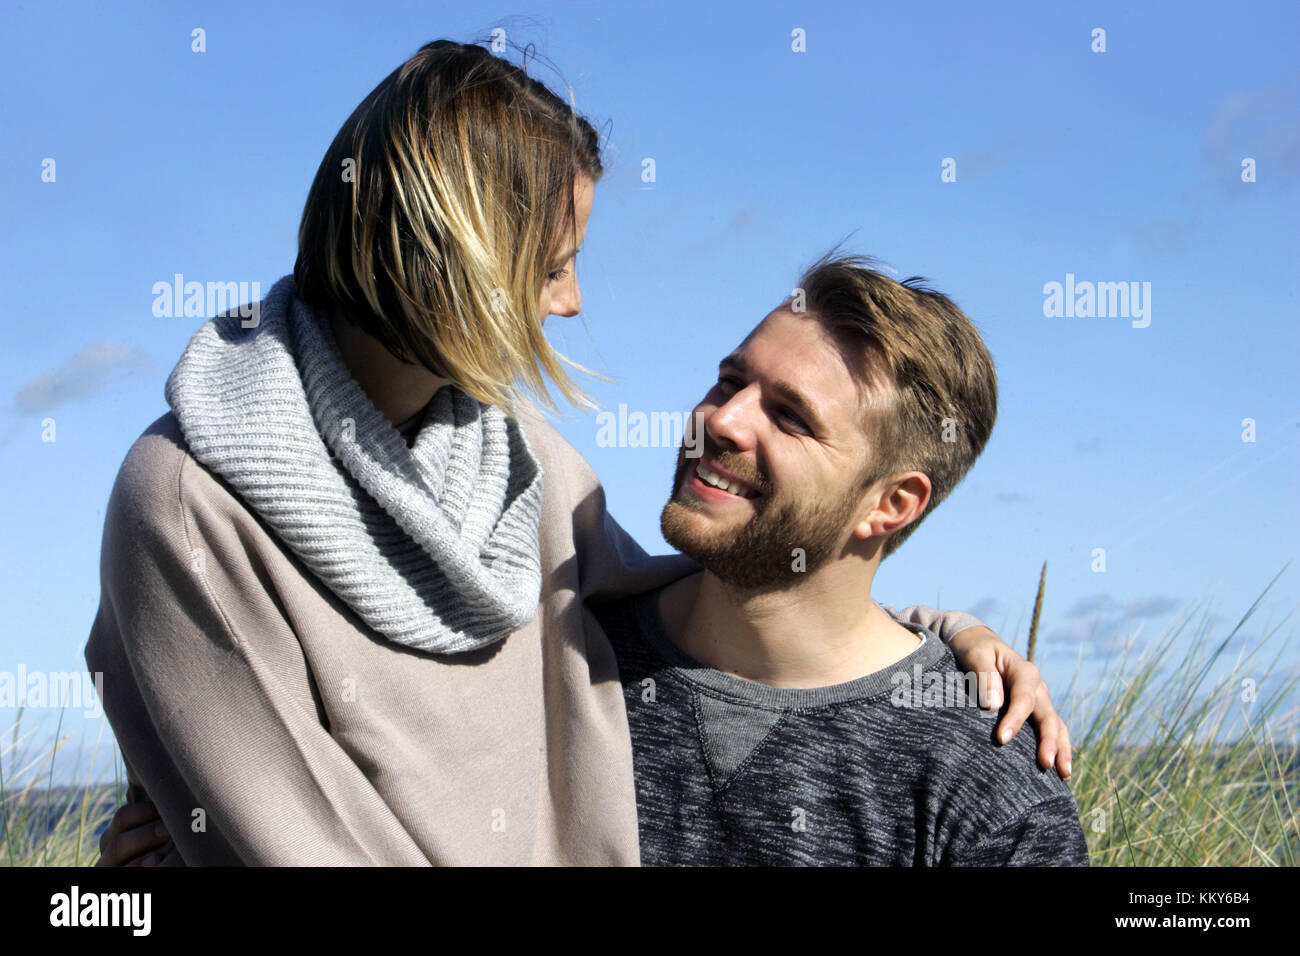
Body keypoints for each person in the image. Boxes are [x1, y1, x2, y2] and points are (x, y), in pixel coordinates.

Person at [89, 40, 1070, 867]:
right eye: (551, 266)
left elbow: (713, 589)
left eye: (788, 411)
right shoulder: (190, 499)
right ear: (457, 257)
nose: (570, 302)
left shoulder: (522, 462)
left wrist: (940, 638)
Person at [595, 253, 1088, 865]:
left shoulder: (983, 787)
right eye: (729, 381)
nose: (722, 420)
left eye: (791, 417)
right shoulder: (562, 651)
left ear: (891, 504)